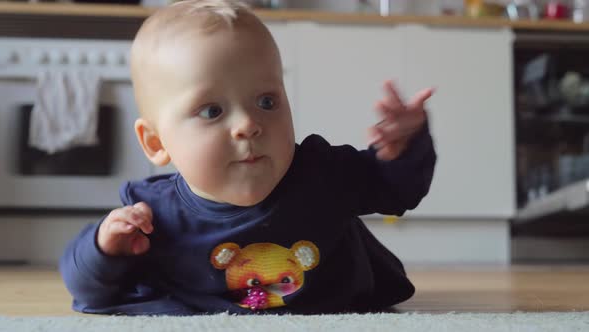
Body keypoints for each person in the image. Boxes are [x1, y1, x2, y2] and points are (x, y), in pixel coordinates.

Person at [59, 0, 436, 315]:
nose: (249, 125)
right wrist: (105, 248)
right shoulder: (152, 217)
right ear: (157, 142)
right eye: (212, 111)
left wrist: (404, 148)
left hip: (339, 307)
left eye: (267, 102)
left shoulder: (322, 174)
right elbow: (89, 291)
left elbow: (397, 191)